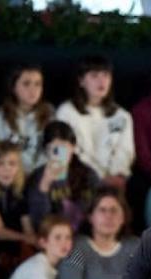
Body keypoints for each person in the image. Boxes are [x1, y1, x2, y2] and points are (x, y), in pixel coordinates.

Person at [55, 55, 134, 191]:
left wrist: (116, 174)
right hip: (77, 179)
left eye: (105, 75)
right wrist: (92, 177)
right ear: (81, 81)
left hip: (111, 180)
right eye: (94, 76)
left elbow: (125, 151)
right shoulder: (66, 112)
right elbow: (61, 150)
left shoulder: (122, 116)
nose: (101, 81)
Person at [24, 121, 100, 233]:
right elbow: (39, 222)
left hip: (84, 238)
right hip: (52, 239)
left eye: (63, 147)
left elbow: (99, 212)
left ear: (73, 147)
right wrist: (44, 185)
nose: (58, 153)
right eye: (53, 148)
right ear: (46, 151)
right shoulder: (37, 177)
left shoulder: (89, 175)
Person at [0, 141, 36, 278]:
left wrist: (35, 240)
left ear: (19, 167)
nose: (7, 169)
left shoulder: (21, 192)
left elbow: (27, 225)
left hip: (12, 251)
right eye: (0, 164)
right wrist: (27, 238)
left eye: (12, 164)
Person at [0, 64, 54, 174]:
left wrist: (59, 178)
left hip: (42, 177)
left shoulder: (51, 114)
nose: (33, 90)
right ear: (13, 87)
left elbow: (61, 149)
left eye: (38, 84)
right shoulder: (0, 117)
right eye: (26, 84)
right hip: (11, 175)